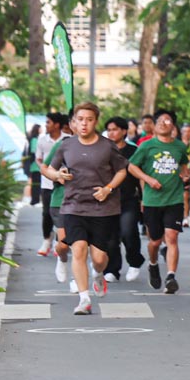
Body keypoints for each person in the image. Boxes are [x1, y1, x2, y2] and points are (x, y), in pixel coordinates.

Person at [48, 102, 128, 315]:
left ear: (96, 122)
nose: (84, 124)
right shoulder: (66, 145)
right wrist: (57, 175)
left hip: (103, 208)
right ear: (74, 122)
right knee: (79, 248)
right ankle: (84, 299)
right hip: (73, 206)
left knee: (100, 258)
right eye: (81, 119)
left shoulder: (107, 145)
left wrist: (108, 189)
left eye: (89, 120)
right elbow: (49, 169)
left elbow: (122, 171)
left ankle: (99, 274)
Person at [128, 108, 189, 294]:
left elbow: (184, 166)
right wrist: (148, 180)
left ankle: (171, 276)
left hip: (174, 199)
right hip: (153, 201)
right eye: (160, 120)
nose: (163, 123)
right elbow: (131, 166)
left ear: (173, 126)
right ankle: (153, 264)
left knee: (171, 237)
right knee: (154, 242)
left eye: (168, 120)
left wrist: (185, 175)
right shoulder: (147, 146)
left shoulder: (179, 147)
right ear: (154, 126)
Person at [103, 116, 145, 283]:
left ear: (124, 131)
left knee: (128, 232)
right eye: (109, 130)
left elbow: (141, 175)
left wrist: (143, 199)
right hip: (107, 200)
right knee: (111, 238)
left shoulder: (134, 151)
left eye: (115, 129)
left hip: (129, 200)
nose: (112, 133)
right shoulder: (103, 150)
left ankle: (135, 261)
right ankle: (112, 269)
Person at [35, 112, 69, 255]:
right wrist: (47, 171)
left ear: (57, 125)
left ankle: (58, 241)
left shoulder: (67, 140)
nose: (46, 125)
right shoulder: (42, 140)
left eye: (48, 122)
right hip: (47, 183)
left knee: (62, 213)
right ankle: (46, 240)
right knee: (46, 213)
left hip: (63, 185)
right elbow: (39, 159)